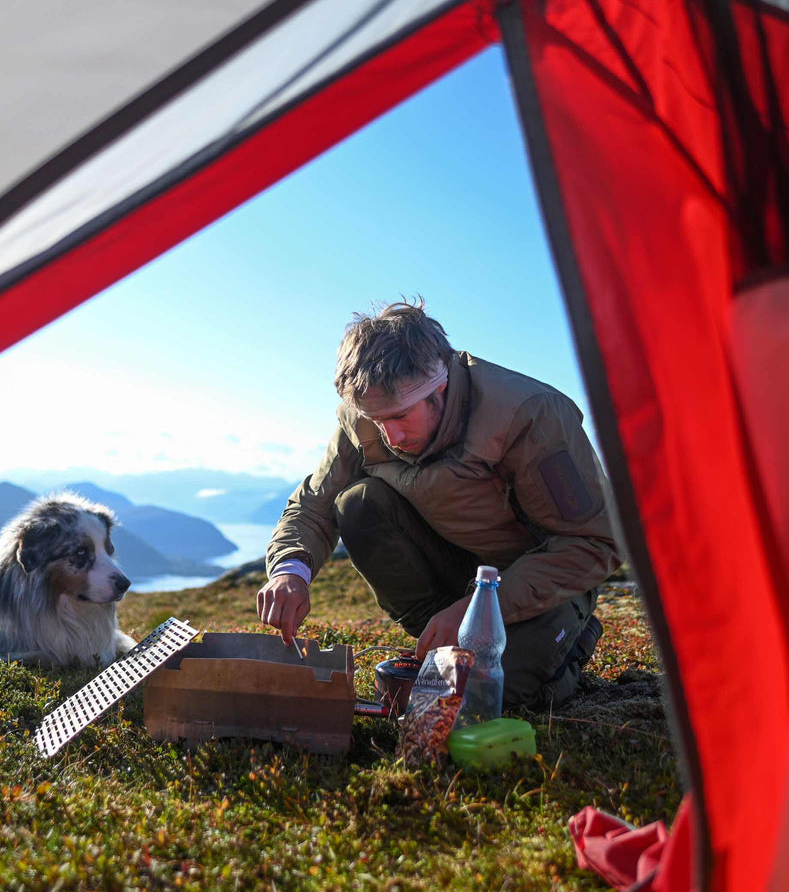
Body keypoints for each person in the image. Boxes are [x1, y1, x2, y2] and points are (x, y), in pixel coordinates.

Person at [256, 300, 621, 710]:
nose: (389, 436)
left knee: (488, 696)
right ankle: (440, 645)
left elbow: (595, 543)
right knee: (358, 503)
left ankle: (572, 642)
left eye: (401, 416)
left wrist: (477, 609)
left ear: (439, 386)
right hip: (455, 573)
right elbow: (313, 505)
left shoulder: (529, 415)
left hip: (538, 586)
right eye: (377, 421)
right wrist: (289, 571)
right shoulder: (365, 414)